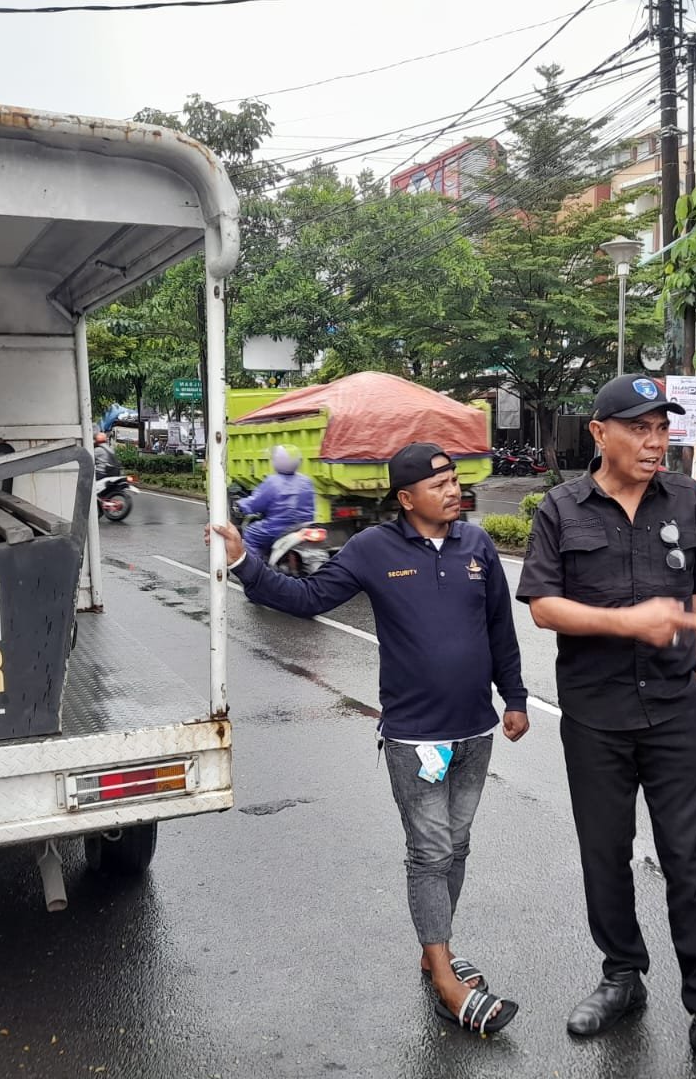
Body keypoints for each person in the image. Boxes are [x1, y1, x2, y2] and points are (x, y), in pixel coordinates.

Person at [206, 443, 529, 1035]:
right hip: (415, 740)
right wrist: (245, 563)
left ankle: (435, 947)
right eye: (440, 486)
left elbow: (498, 628)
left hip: (475, 731)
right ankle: (444, 976)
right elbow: (308, 599)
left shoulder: (476, 545)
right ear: (407, 499)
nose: (454, 491)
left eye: (455, 481)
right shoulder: (373, 548)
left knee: (456, 848)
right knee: (430, 852)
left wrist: (513, 698)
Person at [517, 374, 696, 1079]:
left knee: (688, 863)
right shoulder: (560, 507)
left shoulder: (686, 500)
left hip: (678, 710)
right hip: (596, 715)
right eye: (640, 428)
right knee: (605, 857)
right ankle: (623, 977)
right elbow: (544, 607)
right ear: (599, 433)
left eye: (661, 429)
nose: (655, 442)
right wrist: (628, 621)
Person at [237, 444, 317, 560]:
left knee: (250, 533)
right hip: (305, 526)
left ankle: (256, 571)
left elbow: (255, 504)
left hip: (277, 528)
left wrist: (242, 505)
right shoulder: (306, 481)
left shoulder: (272, 482)